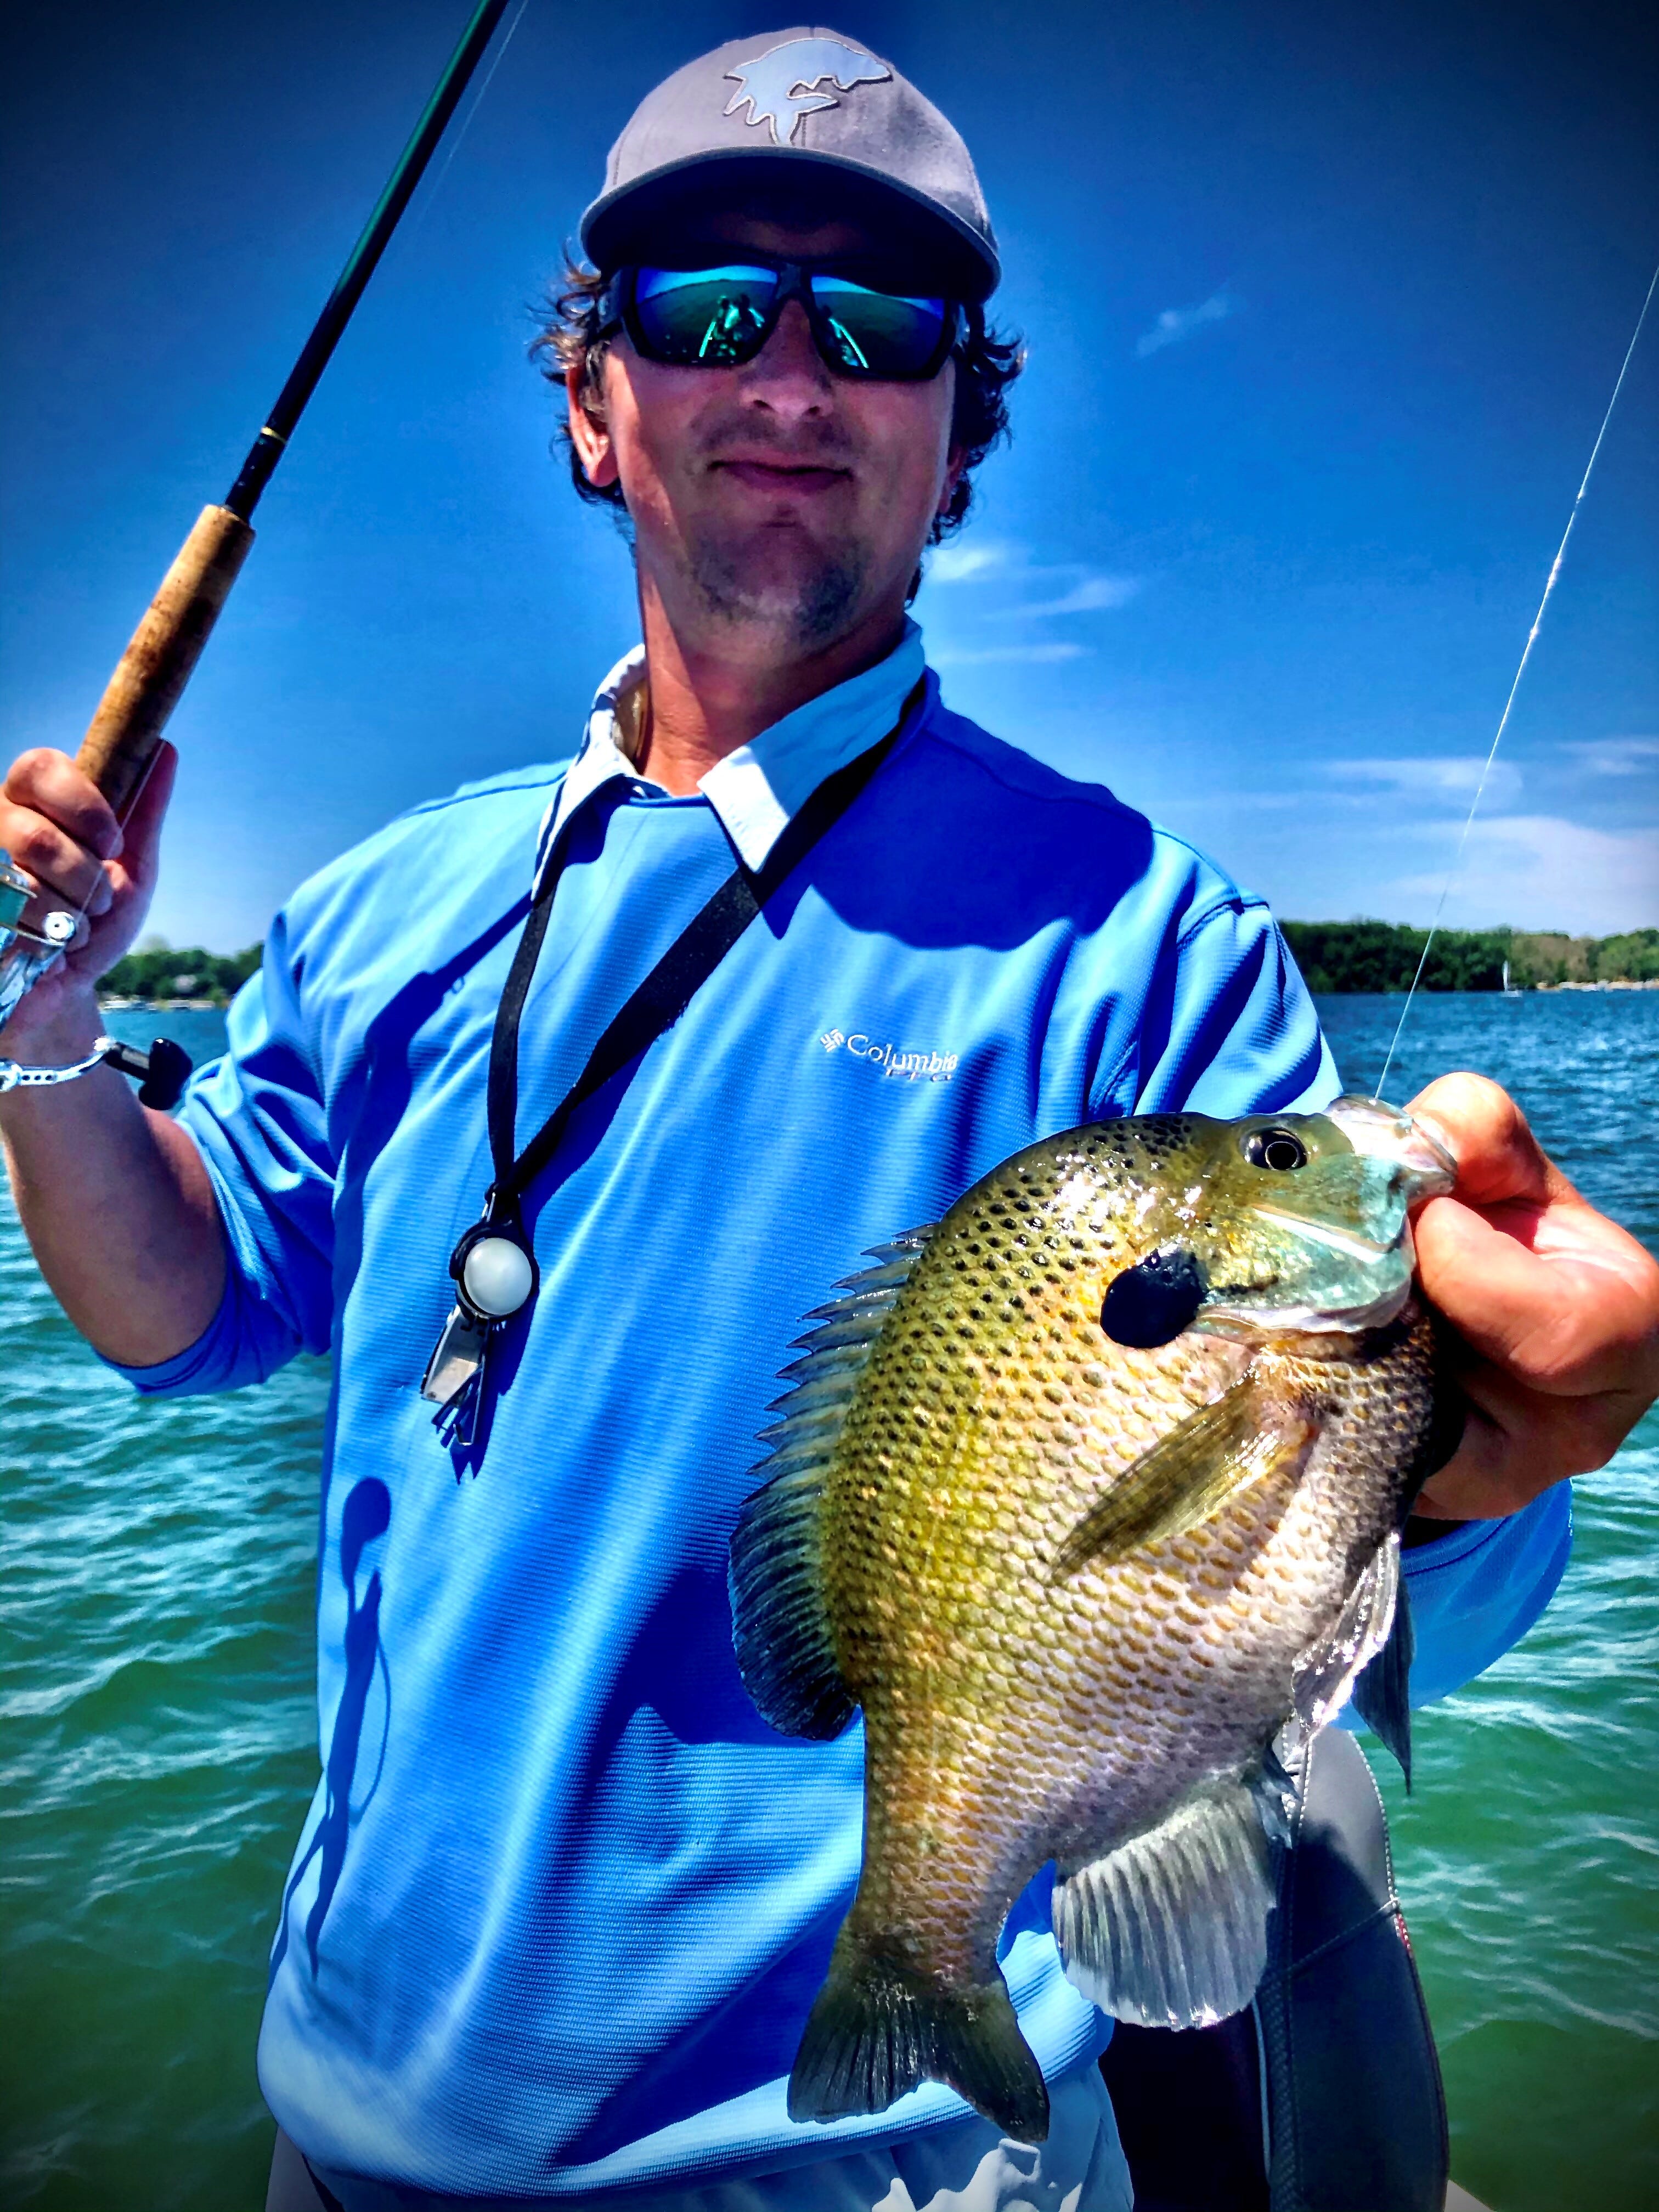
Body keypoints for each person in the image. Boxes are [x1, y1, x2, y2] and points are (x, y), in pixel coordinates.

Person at [2, 30, 1655, 2212]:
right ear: (595, 401)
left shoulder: (1144, 949)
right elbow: (185, 1303)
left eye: (881, 331)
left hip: (886, 2175)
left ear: (962, 431)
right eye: (706, 311)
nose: (792, 378)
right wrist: (45, 1038)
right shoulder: (381, 905)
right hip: (352, 2124)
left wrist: (1482, 1447)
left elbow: (1344, 1511)